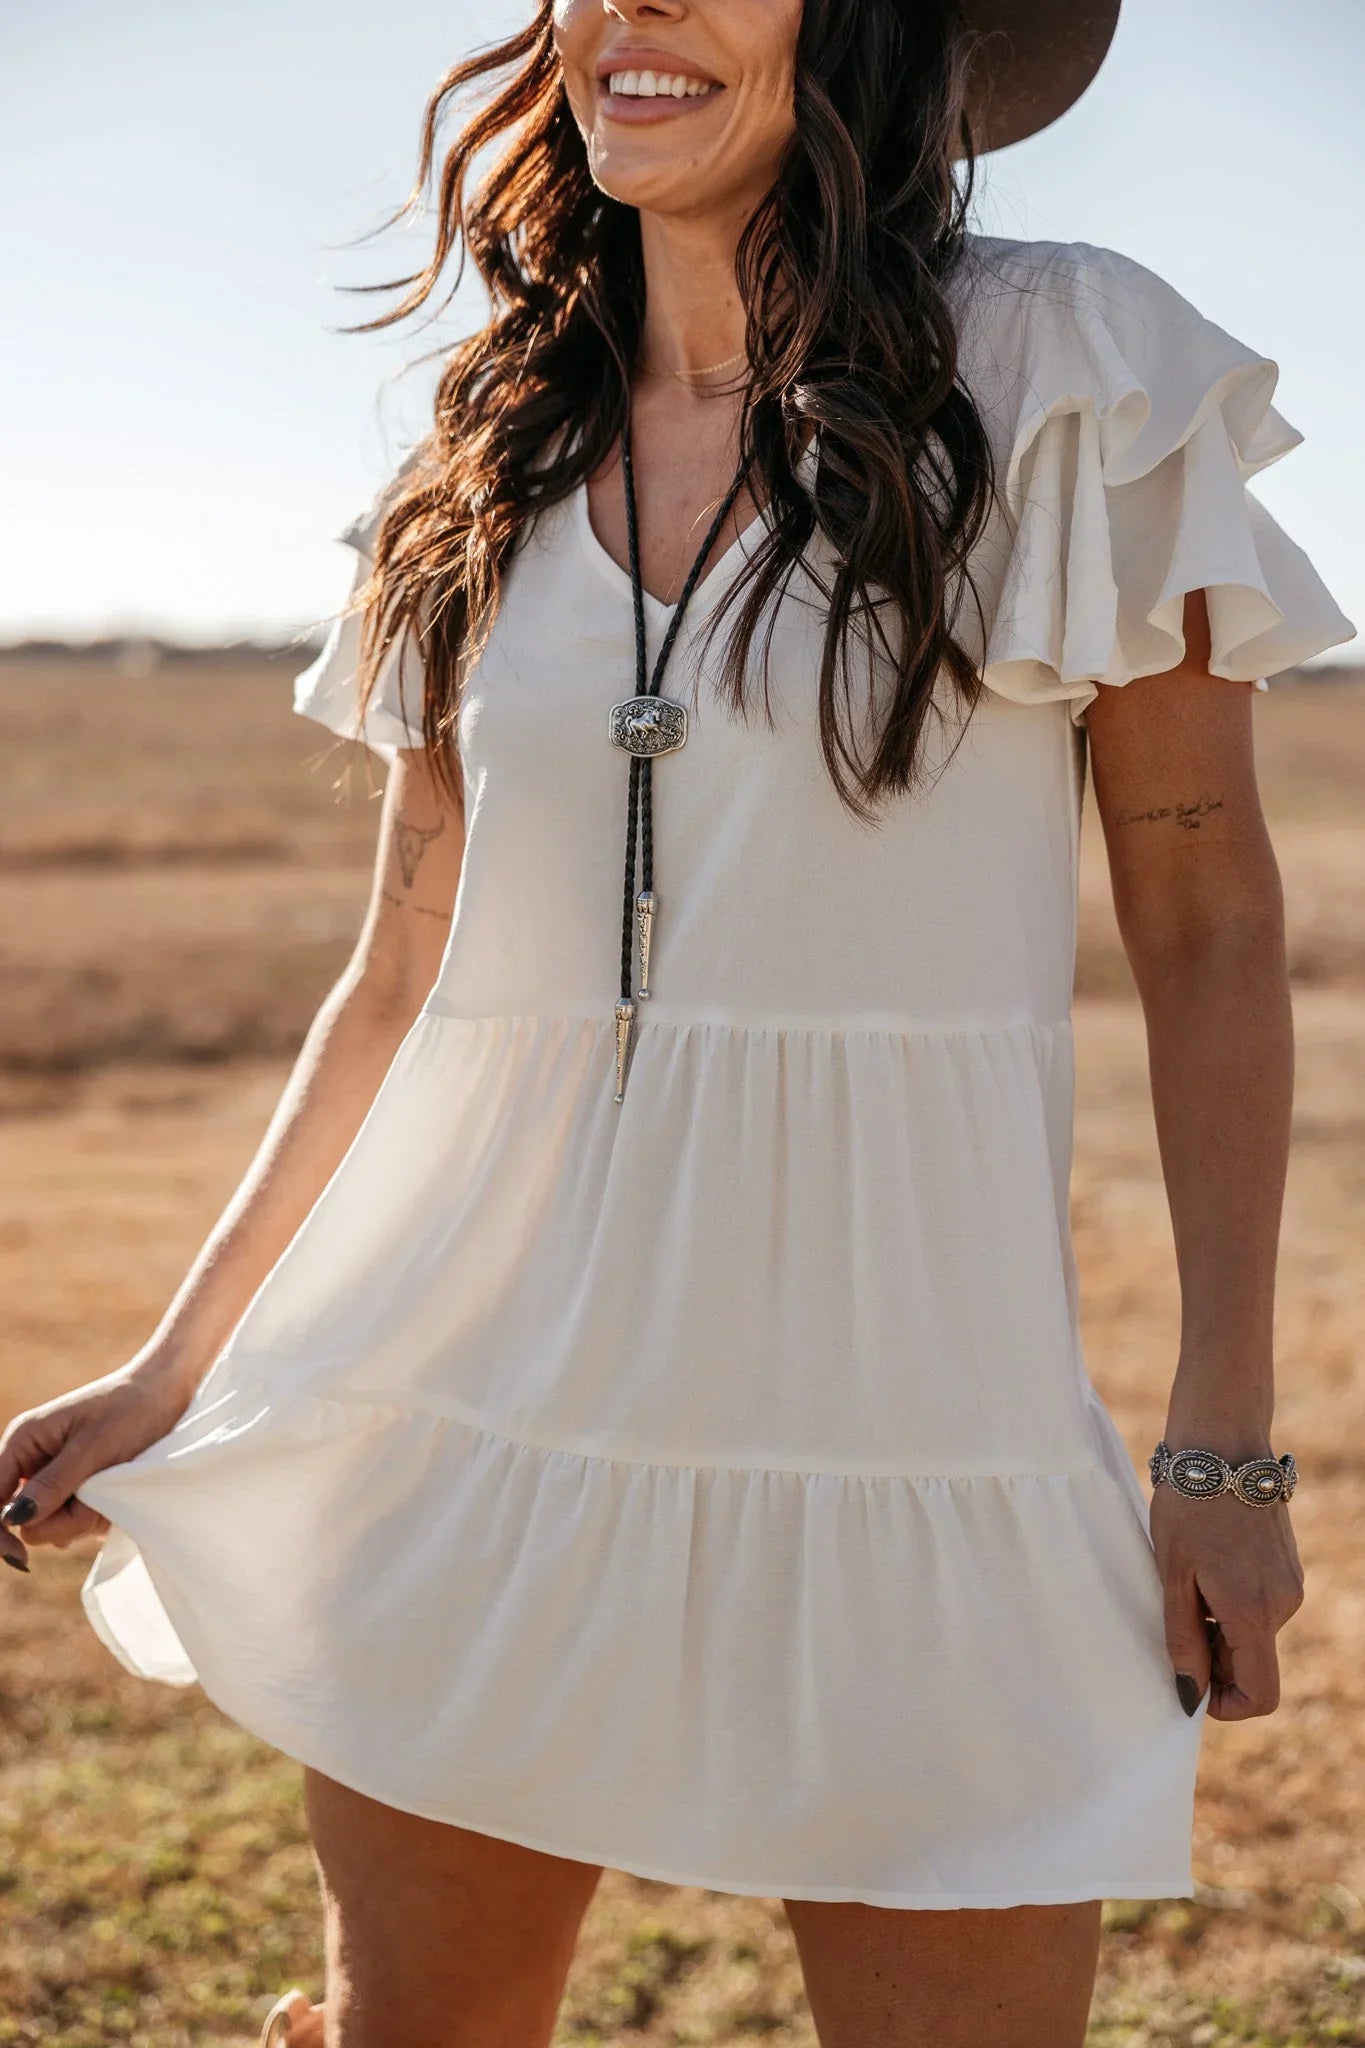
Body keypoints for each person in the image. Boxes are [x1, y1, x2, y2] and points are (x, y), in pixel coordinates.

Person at [2, 2, 1354, 2043]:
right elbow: (404, 968)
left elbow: (1204, 910)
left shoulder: (1066, 366)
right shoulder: (483, 454)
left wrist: (1223, 1445)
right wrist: (176, 1365)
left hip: (913, 1440)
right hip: (464, 1426)